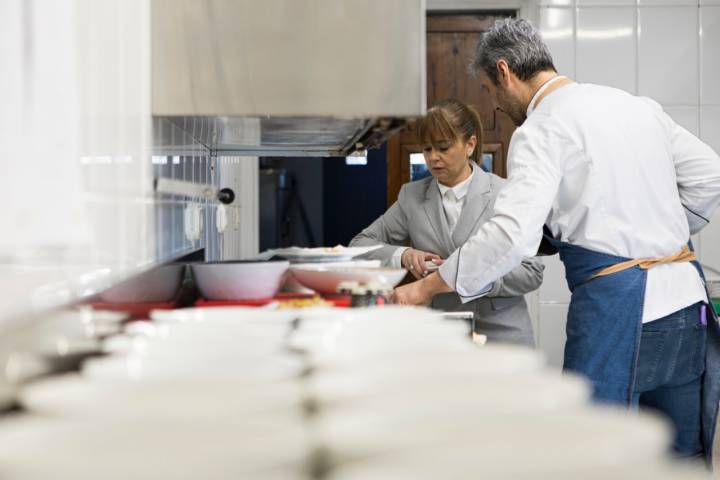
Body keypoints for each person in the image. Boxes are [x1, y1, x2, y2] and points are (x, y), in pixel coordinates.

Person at [392, 18, 720, 462]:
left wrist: (427, 287)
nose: (496, 104)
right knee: (679, 456)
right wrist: (656, 237)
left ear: (504, 72)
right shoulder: (637, 106)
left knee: (592, 456)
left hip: (620, 312)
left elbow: (512, 234)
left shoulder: (541, 127)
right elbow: (709, 174)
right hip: (687, 307)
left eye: (490, 90)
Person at [350, 99, 543, 346]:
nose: (433, 158)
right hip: (440, 334)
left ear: (470, 145)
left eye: (443, 147)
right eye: (427, 149)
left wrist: (465, 278)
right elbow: (359, 245)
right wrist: (403, 255)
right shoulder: (411, 196)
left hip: (502, 332)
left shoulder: (504, 193)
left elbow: (532, 272)